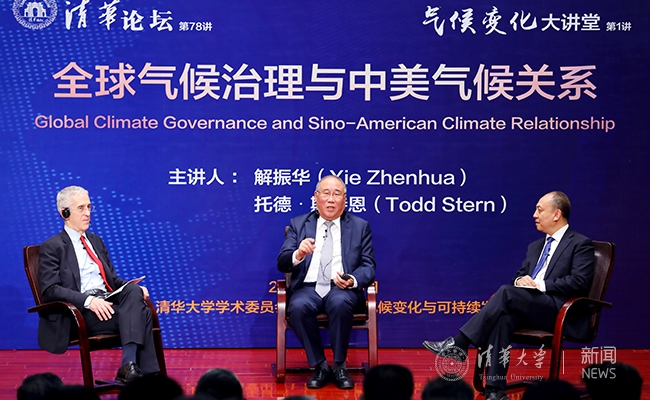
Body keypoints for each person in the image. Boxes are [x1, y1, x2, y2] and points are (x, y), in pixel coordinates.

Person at [423, 191, 595, 400]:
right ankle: (495, 390)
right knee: (502, 318)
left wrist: (539, 285)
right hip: (533, 307)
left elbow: (579, 281)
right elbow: (519, 276)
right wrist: (520, 281)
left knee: (505, 292)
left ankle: (460, 342)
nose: (534, 215)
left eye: (539, 210)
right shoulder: (535, 246)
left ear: (557, 214)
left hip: (560, 311)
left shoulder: (580, 244)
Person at [38, 186, 160, 383]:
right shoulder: (52, 246)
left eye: (89, 207)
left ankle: (129, 368)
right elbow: (50, 290)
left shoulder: (96, 241)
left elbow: (112, 281)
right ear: (65, 213)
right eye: (81, 208)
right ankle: (142, 376)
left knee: (133, 291)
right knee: (144, 314)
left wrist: (133, 288)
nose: (87, 213)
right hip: (80, 312)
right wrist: (89, 301)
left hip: (107, 303)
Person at [277, 175, 376, 390]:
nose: (331, 199)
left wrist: (352, 280)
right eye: (326, 193)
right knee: (298, 306)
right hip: (308, 287)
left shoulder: (360, 226)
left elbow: (368, 266)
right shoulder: (298, 224)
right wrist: (298, 254)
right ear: (316, 196)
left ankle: (339, 366)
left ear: (345, 199)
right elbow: (282, 262)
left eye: (337, 194)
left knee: (340, 302)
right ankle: (320, 365)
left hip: (341, 288)